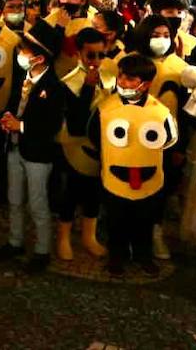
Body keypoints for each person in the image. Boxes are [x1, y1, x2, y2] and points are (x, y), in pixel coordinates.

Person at [71, 52, 178, 276]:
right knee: (116, 221)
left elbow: (168, 140)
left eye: (130, 79)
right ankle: (116, 256)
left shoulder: (159, 112)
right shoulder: (105, 108)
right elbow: (93, 135)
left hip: (150, 180)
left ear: (145, 84)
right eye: (121, 77)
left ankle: (143, 256)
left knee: (144, 221)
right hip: (114, 177)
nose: (123, 82)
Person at [0, 19, 65, 272]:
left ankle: (42, 250)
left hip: (38, 154)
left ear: (40, 58)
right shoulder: (23, 77)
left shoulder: (54, 88)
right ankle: (15, 241)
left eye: (25, 50)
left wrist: (20, 126)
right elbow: (15, 106)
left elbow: (52, 126)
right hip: (14, 148)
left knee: (37, 203)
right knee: (14, 199)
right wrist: (8, 120)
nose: (20, 53)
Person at [56, 28, 111, 261]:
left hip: (102, 150)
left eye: (101, 55)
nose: (96, 61)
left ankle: (89, 237)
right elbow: (77, 122)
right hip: (75, 149)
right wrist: (88, 87)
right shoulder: (69, 83)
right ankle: (63, 238)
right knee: (71, 194)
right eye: (91, 55)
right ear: (79, 54)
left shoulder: (110, 78)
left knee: (94, 195)